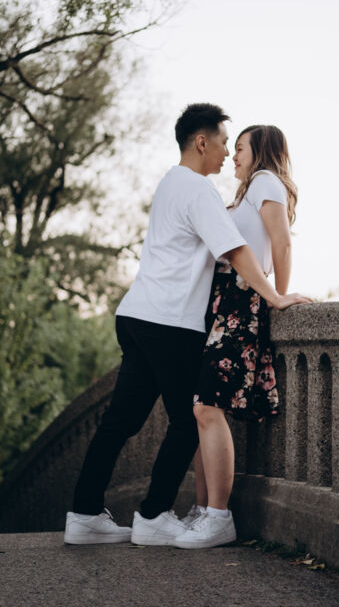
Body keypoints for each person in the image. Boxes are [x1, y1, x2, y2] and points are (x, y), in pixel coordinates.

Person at [64, 105, 309, 546]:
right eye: (223, 143)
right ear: (201, 142)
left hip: (135, 313)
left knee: (120, 422)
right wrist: (275, 296)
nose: (226, 154)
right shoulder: (199, 190)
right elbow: (236, 250)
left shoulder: (169, 183)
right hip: (170, 322)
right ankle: (154, 515)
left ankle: (83, 514)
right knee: (187, 419)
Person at [175, 124, 302, 550]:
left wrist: (277, 297)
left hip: (241, 298)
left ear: (261, 151)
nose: (233, 155)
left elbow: (282, 243)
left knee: (208, 405)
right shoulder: (245, 193)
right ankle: (202, 511)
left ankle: (218, 516)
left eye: (241, 147)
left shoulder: (265, 181)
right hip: (218, 301)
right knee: (201, 407)